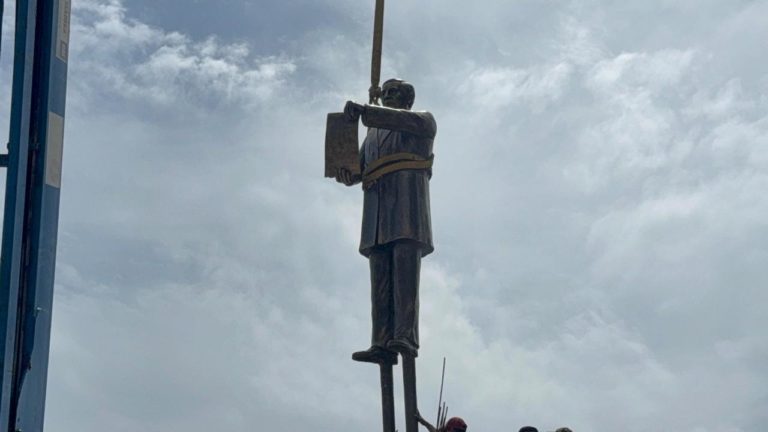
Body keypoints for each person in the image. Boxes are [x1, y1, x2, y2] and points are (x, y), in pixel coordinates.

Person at [336, 78, 437, 364]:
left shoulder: (422, 121)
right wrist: (346, 171)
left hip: (407, 207)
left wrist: (366, 111)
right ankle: (380, 342)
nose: (387, 96)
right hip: (377, 213)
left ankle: (406, 336)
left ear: (408, 100)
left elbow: (397, 119)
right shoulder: (373, 135)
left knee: (405, 276)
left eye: (394, 92)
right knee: (379, 281)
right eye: (385, 93)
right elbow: (357, 171)